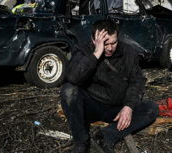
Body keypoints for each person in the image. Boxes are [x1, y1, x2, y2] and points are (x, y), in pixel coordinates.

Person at [60, 20, 159, 153]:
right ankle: (81, 142)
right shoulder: (83, 50)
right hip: (91, 106)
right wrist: (97, 53)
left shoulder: (127, 52)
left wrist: (128, 106)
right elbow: (72, 78)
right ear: (94, 40)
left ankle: (106, 135)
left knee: (151, 108)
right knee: (68, 90)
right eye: (105, 44)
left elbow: (137, 81)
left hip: (117, 110)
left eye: (114, 43)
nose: (110, 48)